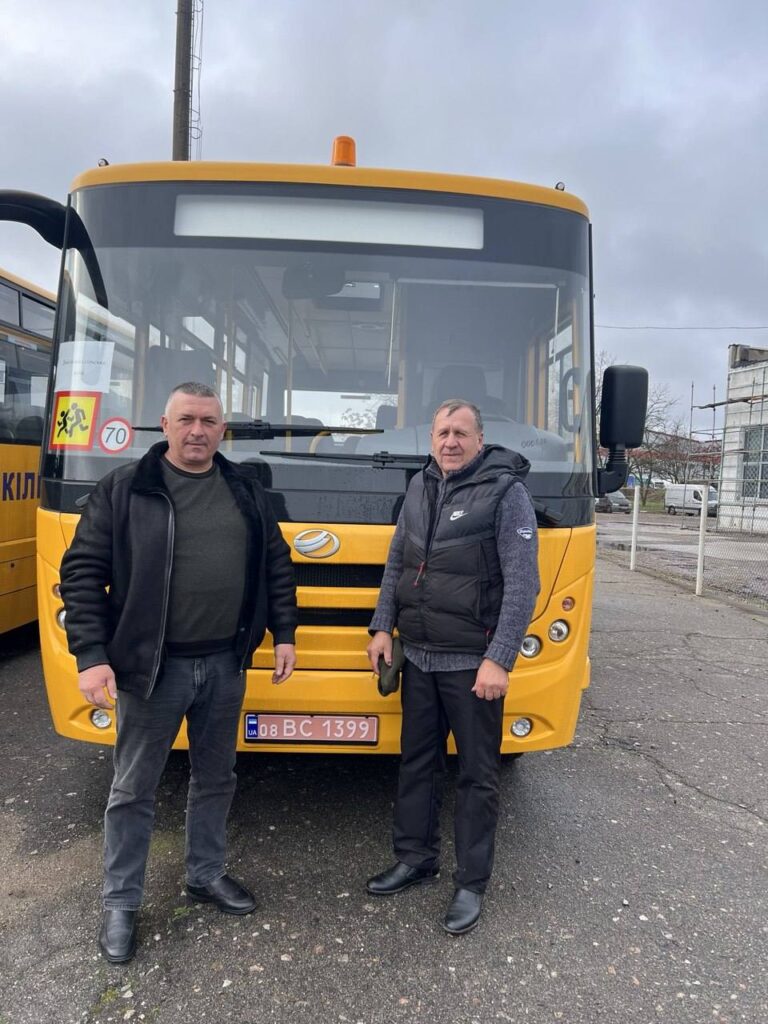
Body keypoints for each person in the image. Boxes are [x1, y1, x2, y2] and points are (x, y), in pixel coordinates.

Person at [60, 382, 297, 964]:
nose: (198, 431)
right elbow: (81, 574)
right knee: (133, 789)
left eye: (209, 421)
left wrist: (285, 633)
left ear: (223, 430)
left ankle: (205, 874)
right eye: (186, 419)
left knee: (216, 778)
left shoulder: (246, 489)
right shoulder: (125, 489)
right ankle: (121, 902)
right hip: (151, 669)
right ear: (164, 425)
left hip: (224, 664)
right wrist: (91, 655)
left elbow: (276, 564)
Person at [365, 399, 539, 935]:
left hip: (472, 666)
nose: (451, 442)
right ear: (431, 439)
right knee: (416, 763)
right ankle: (415, 859)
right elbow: (398, 560)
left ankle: (471, 883)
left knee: (477, 775)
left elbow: (523, 584)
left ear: (480, 440)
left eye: (461, 433)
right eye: (443, 432)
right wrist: (382, 626)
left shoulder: (507, 494)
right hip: (418, 655)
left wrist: (499, 658)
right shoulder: (420, 486)